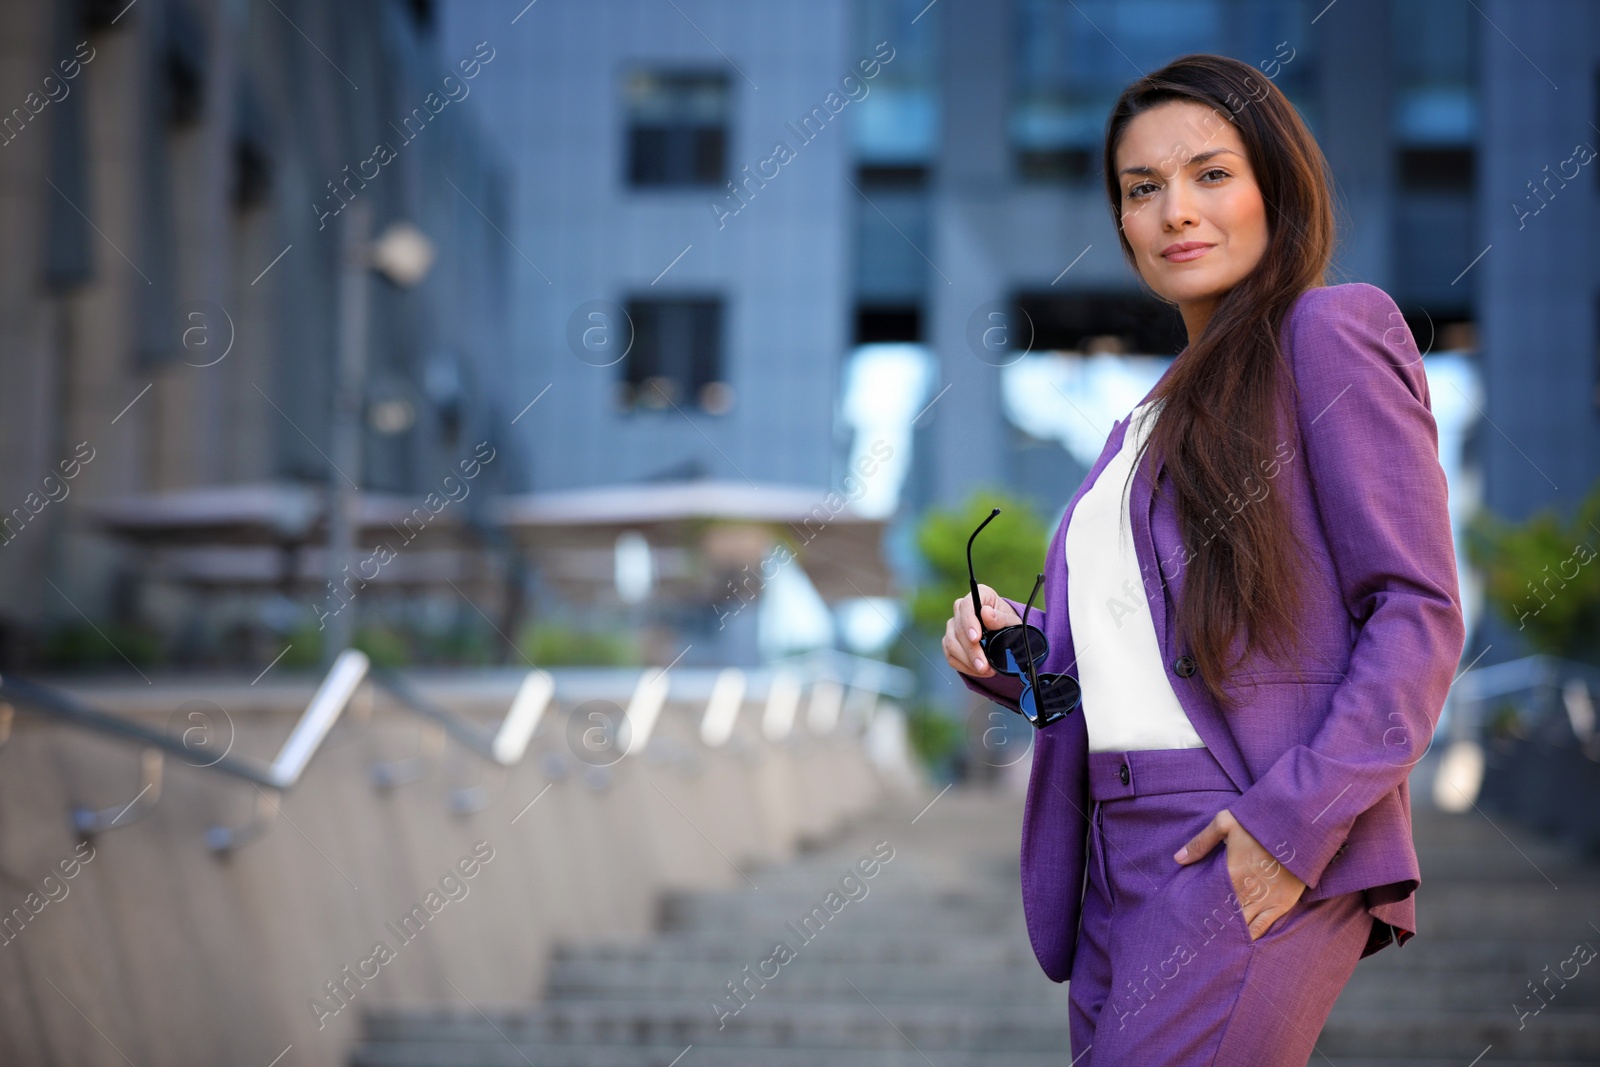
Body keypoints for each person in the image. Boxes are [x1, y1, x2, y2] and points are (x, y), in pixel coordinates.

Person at [943, 53, 1465, 1066]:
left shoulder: (1329, 331)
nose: (1175, 210)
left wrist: (1291, 823)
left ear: (1276, 184)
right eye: (1143, 189)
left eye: (1210, 174)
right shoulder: (1143, 421)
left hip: (1244, 821)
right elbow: (1137, 671)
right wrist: (1016, 658)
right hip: (1113, 854)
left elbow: (1416, 609)